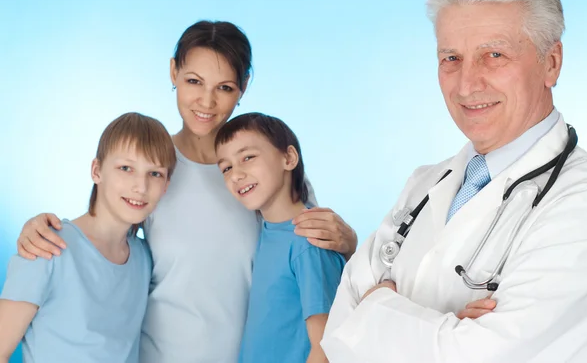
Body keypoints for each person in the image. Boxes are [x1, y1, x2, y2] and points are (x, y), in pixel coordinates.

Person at [14, 21, 358, 363]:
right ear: (173, 73)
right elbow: (103, 242)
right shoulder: (153, 168)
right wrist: (45, 229)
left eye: (224, 87)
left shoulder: (263, 171)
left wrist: (350, 243)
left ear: (243, 88)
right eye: (194, 81)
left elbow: (310, 259)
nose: (206, 101)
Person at [321, 0, 587, 363]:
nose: (467, 84)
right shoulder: (424, 184)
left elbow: (484, 356)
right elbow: (336, 334)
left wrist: (377, 307)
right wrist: (444, 328)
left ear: (551, 63)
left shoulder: (584, 204)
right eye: (451, 58)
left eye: (494, 55)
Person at [0, 112, 176, 363]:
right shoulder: (46, 246)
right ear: (97, 171)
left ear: (167, 184)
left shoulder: (145, 258)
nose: (141, 186)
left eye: (155, 173)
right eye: (126, 168)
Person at [215, 112, 345, 363]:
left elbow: (325, 349)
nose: (236, 174)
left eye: (248, 157)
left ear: (288, 158)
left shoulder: (309, 242)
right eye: (226, 168)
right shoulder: (267, 231)